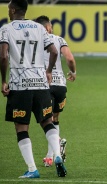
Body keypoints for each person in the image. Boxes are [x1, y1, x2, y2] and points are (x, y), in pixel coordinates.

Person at [0, 0, 67, 178]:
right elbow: (54, 51)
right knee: (47, 122)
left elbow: (4, 56)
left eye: (8, 8)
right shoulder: (39, 28)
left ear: (13, 10)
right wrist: (49, 71)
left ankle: (32, 169)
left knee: (22, 128)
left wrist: (3, 81)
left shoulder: (6, 29)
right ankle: (58, 156)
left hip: (20, 85)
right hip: (41, 84)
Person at [34, 15, 76, 167]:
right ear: (49, 27)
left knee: (46, 120)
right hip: (61, 86)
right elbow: (70, 59)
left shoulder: (35, 41)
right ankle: (52, 153)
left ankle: (53, 150)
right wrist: (73, 72)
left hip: (44, 84)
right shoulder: (59, 39)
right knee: (55, 117)